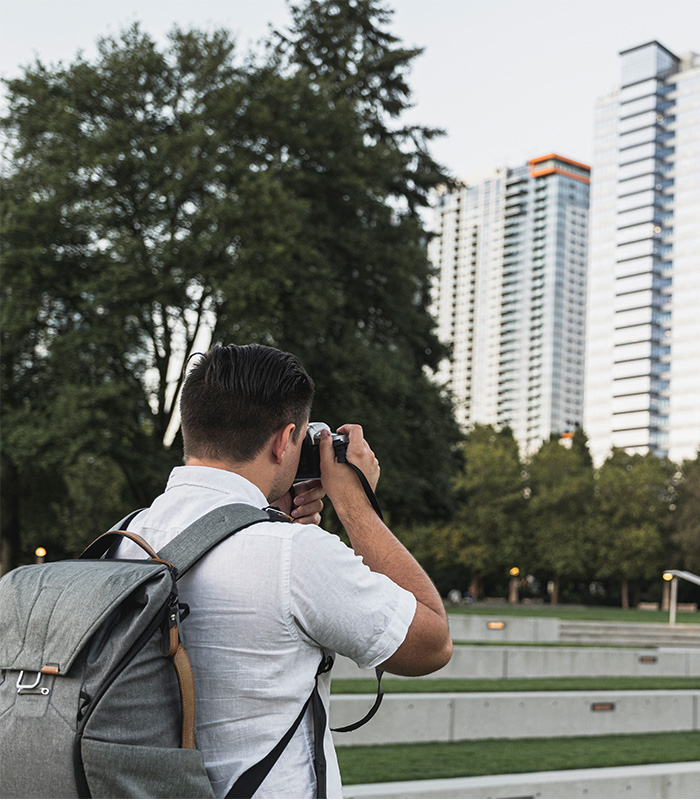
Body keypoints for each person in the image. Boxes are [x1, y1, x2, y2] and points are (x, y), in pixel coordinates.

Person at [118, 343, 452, 798]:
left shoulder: (120, 539)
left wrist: (270, 517)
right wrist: (355, 503)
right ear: (283, 440)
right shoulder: (296, 556)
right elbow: (432, 644)